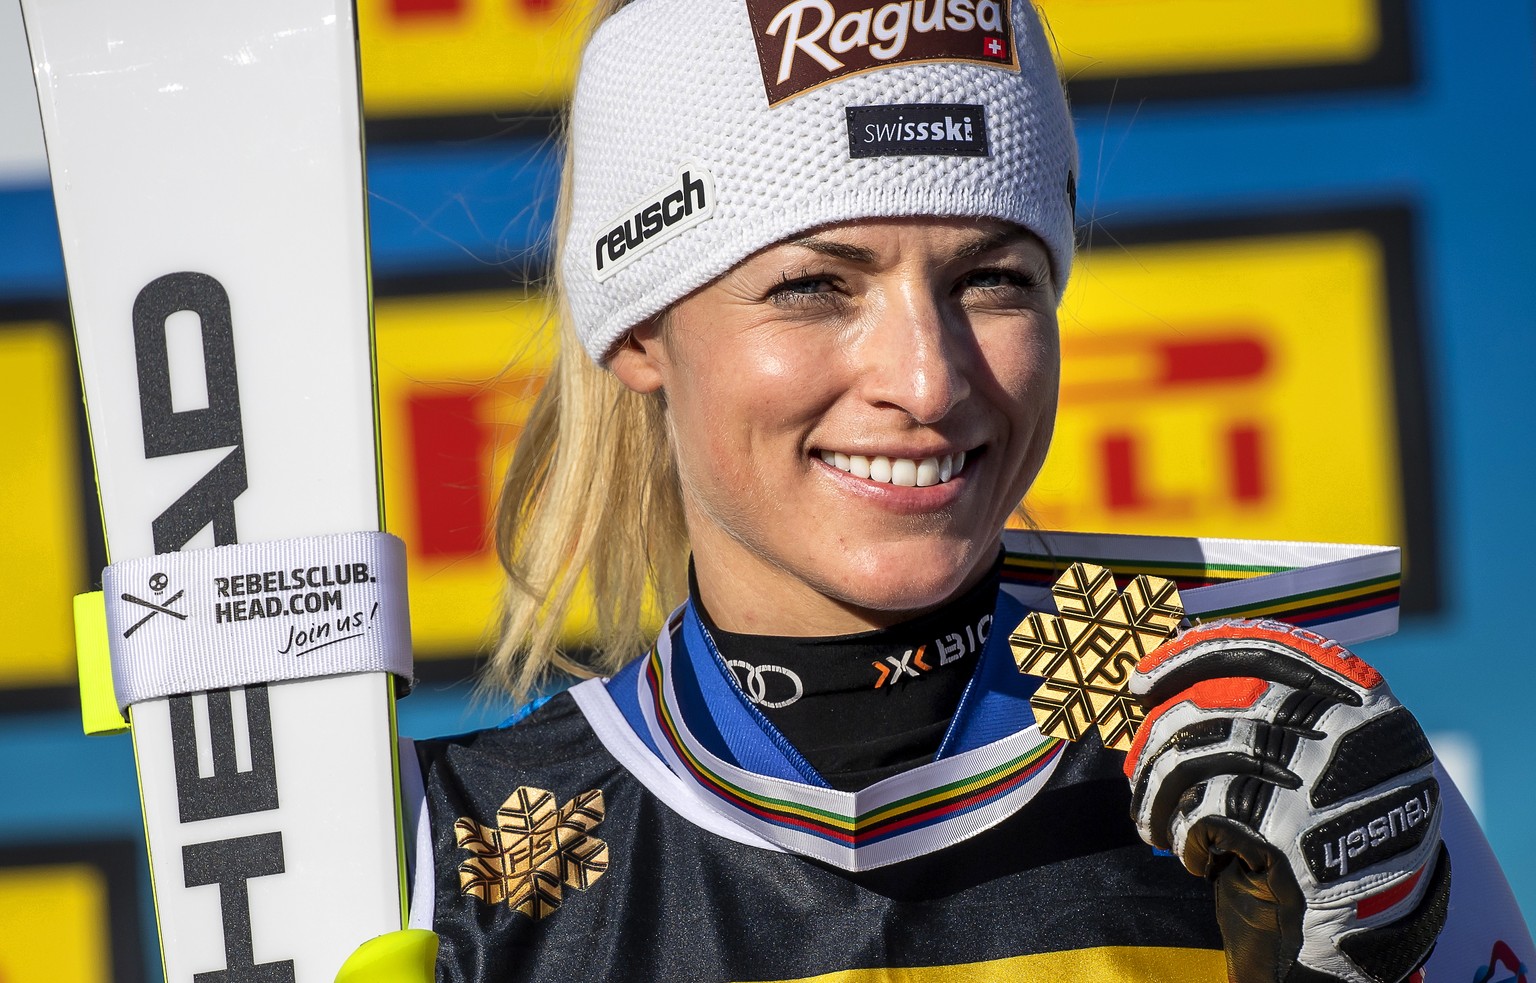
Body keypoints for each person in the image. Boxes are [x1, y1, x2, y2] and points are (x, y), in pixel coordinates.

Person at [399, 0, 1534, 978]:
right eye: (814, 287)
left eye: (992, 278)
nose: (928, 379)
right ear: (639, 327)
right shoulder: (461, 863)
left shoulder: (1276, 757)